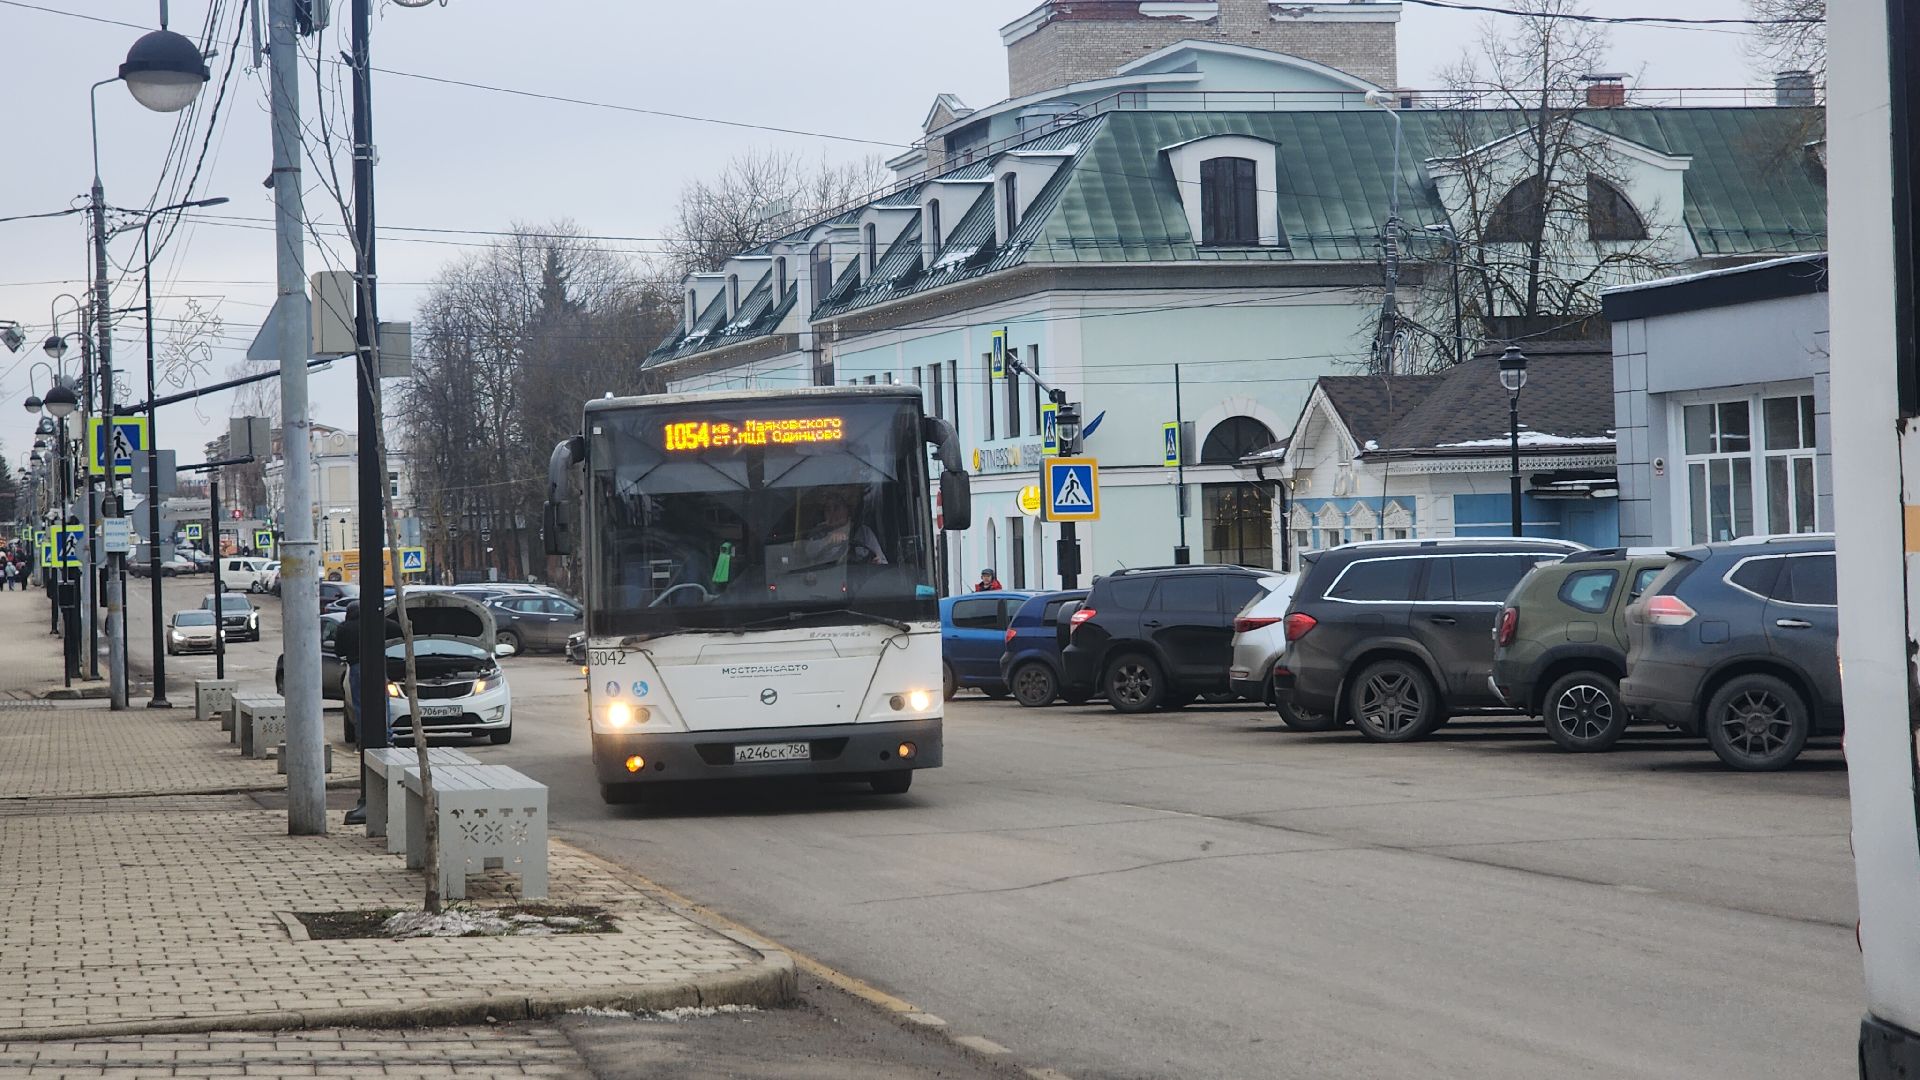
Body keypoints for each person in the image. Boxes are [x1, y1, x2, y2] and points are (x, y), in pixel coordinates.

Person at [334, 600, 404, 748]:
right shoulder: (376, 622)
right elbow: (399, 629)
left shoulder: (344, 628)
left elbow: (339, 651)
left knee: (359, 705)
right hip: (377, 667)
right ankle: (387, 737)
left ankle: (362, 740)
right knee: (383, 703)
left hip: (356, 668)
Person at [800, 492, 888, 566]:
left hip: (859, 581)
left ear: (848, 509)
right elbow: (807, 553)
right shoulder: (818, 532)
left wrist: (876, 563)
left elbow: (883, 563)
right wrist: (827, 541)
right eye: (827, 509)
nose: (832, 513)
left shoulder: (863, 532)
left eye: (836, 507)